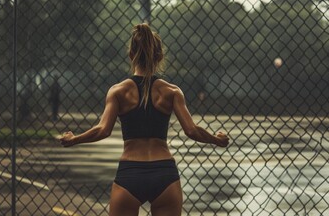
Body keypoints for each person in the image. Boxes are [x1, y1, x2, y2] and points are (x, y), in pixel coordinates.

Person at [59, 23, 229, 216]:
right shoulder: (172, 91)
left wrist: (75, 139)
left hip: (130, 173)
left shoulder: (118, 91)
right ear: (160, 56)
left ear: (131, 54)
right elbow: (191, 130)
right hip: (164, 173)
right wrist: (217, 140)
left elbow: (103, 129)